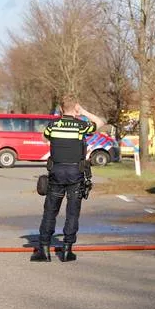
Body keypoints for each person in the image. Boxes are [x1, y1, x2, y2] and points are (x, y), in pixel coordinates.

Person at [32, 104, 96, 263]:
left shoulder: (53, 125)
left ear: (60, 109)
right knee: (72, 212)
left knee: (50, 211)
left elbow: (44, 137)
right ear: (75, 109)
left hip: (57, 173)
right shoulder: (81, 126)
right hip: (75, 173)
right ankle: (67, 251)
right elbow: (99, 123)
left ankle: (44, 250)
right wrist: (83, 112)